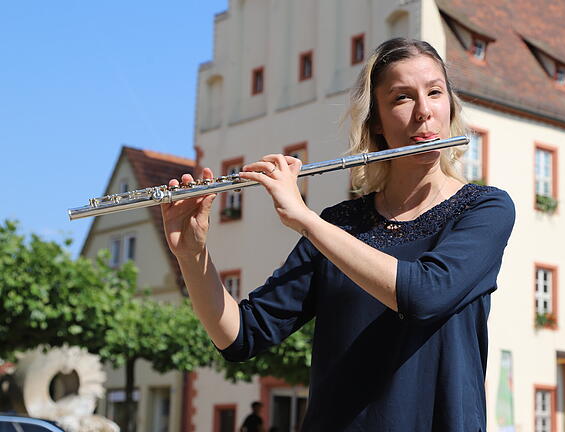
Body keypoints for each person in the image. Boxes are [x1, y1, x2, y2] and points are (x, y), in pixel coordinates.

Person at [161, 38, 515, 431]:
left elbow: (425, 295)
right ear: (376, 122)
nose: (424, 113)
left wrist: (307, 220)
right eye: (402, 98)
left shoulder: (483, 209)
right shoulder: (342, 223)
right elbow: (243, 335)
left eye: (435, 92)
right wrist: (191, 254)